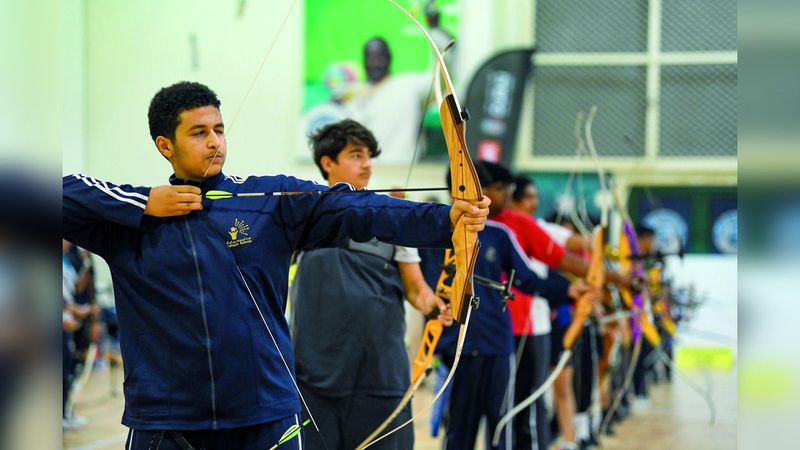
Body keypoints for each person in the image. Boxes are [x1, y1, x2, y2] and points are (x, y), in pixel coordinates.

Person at [62, 81, 489, 450]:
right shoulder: (131, 223)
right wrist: (143, 203)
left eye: (219, 129)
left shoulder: (268, 201)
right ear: (165, 146)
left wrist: (446, 220)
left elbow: (356, 209)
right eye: (199, 133)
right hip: (167, 418)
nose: (215, 142)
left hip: (263, 413)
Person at [289, 119, 452, 450]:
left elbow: (416, 289)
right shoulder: (299, 217)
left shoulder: (389, 217)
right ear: (327, 163)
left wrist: (432, 304)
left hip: (380, 376)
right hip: (314, 378)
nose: (366, 165)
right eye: (356, 155)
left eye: (369, 156)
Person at [418, 163, 596, 450]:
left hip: (497, 345)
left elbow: (527, 280)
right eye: (473, 189)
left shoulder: (498, 234)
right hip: (457, 347)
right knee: (458, 431)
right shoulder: (429, 233)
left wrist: (569, 291)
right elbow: (421, 286)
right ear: (456, 191)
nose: (483, 197)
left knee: (502, 427)